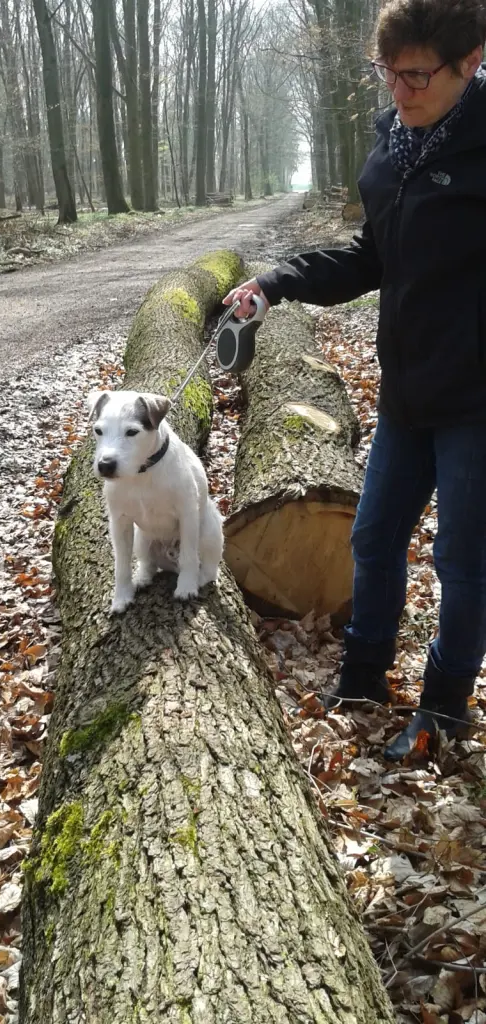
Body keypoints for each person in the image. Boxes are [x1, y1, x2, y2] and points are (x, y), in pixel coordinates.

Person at [224, 0, 486, 761]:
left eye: (417, 76)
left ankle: (444, 708)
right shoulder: (391, 145)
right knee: (371, 539)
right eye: (388, 73)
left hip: (476, 400)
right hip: (408, 389)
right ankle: (364, 678)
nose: (400, 91)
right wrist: (275, 282)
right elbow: (372, 257)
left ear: (470, 65)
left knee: (462, 563)